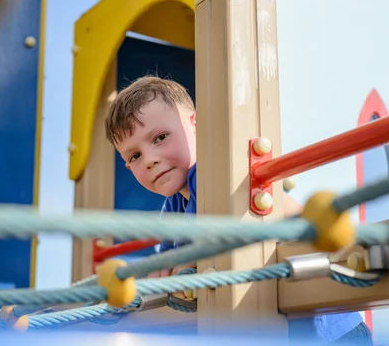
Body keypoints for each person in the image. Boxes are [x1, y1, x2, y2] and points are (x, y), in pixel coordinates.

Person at [104, 75, 372, 344]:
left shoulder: (216, 175)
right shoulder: (173, 208)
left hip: (334, 329)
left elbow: (204, 244)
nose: (150, 159)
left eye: (160, 137)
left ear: (197, 125)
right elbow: (171, 270)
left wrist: (183, 263)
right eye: (134, 156)